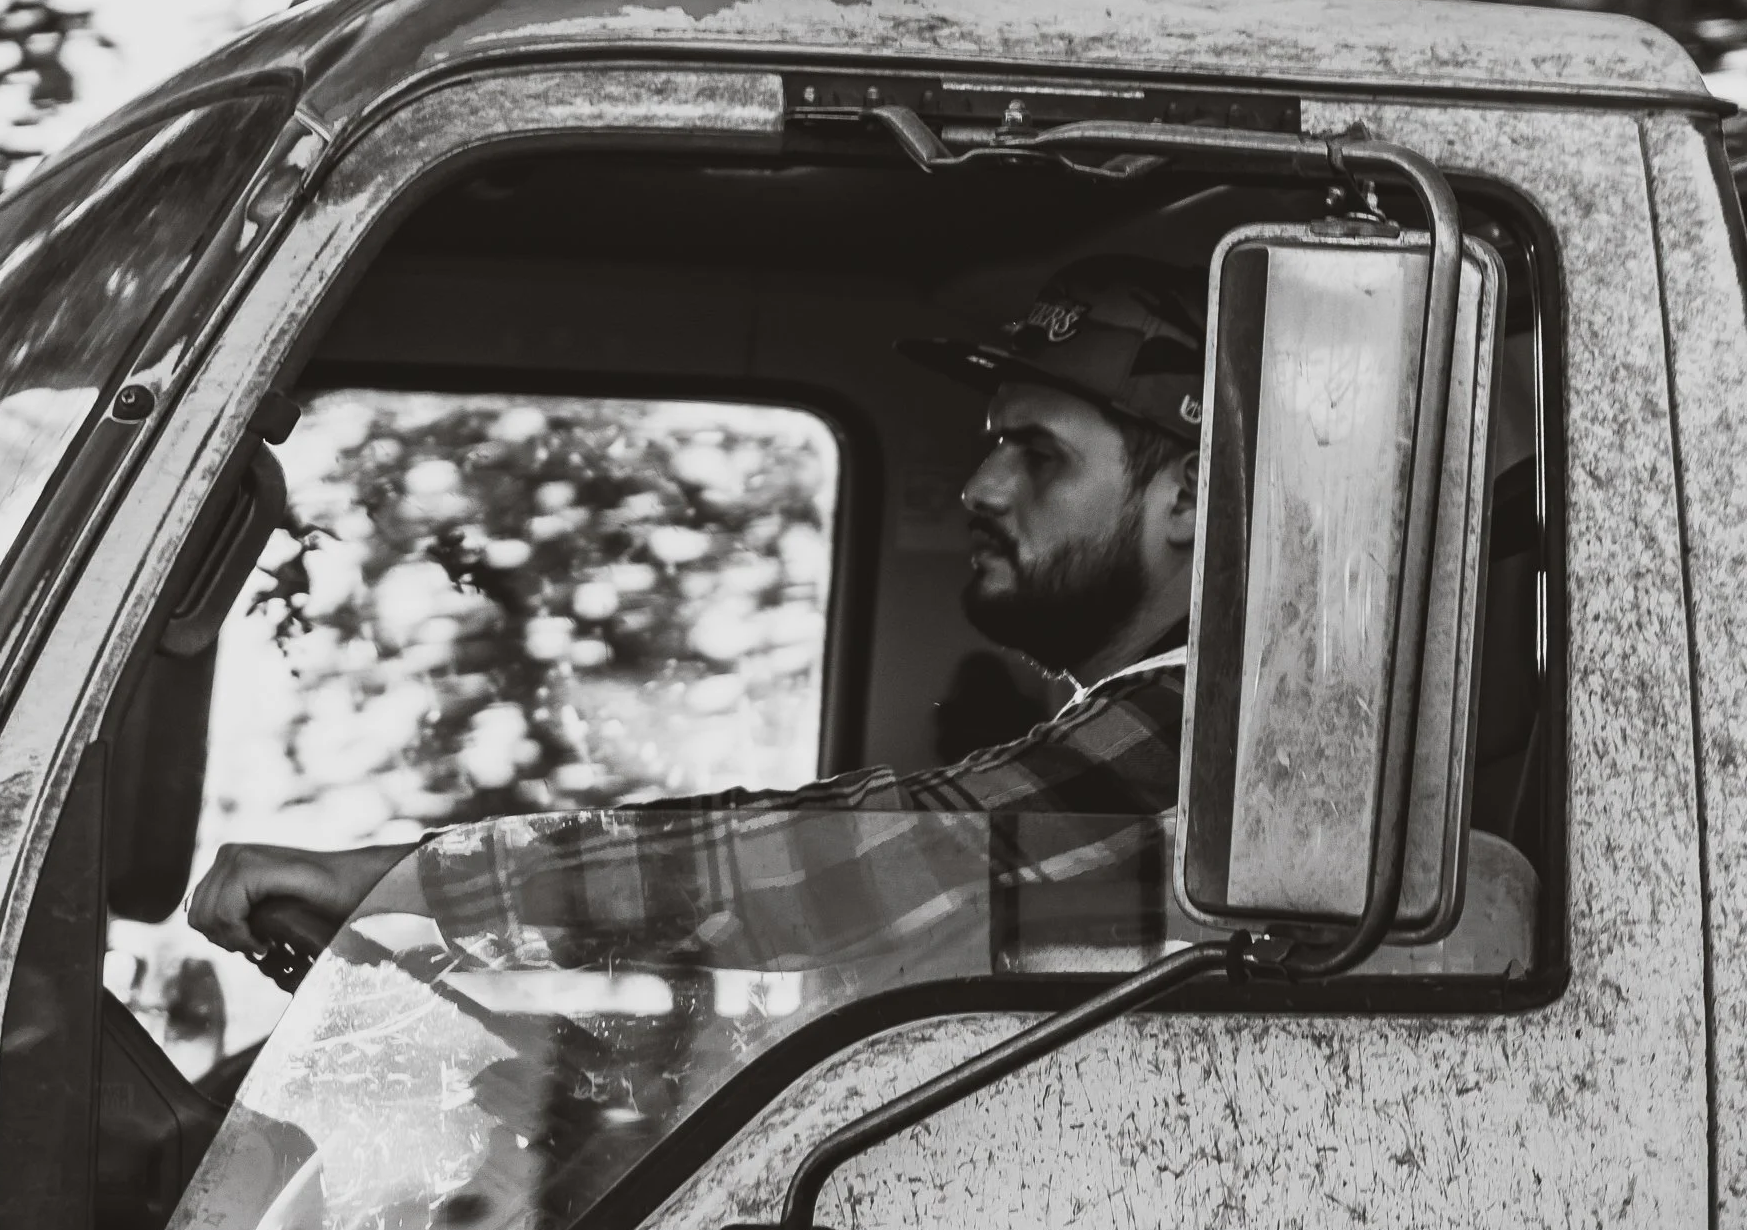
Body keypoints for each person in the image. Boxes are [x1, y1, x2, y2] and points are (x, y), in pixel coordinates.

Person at [187, 255, 1208, 974]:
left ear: (1192, 499)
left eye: (1037, 455)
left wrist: (410, 885)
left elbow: (852, 867)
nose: (979, 489)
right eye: (993, 445)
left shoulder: (1202, 738)